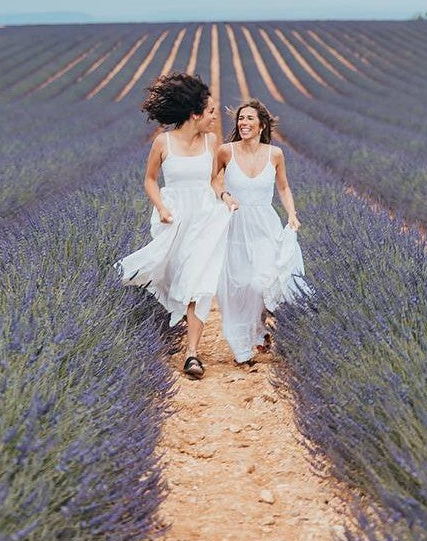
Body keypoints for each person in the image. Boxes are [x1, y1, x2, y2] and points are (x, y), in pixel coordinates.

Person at [116, 73, 231, 379]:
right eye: (210, 111)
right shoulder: (163, 142)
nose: (215, 116)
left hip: (205, 218)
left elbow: (214, 180)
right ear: (195, 114)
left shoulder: (211, 142)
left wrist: (225, 196)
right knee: (169, 276)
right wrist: (162, 207)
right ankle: (156, 332)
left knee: (198, 284)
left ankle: (192, 353)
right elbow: (150, 180)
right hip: (174, 219)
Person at [214, 99, 306, 365]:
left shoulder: (275, 154)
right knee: (239, 286)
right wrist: (224, 195)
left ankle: (258, 327)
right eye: (241, 119)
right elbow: (213, 179)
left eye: (249, 118)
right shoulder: (226, 151)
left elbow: (283, 187)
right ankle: (245, 343)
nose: (243, 123)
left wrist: (292, 214)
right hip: (235, 226)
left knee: (261, 281)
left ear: (262, 125)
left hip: (265, 225)